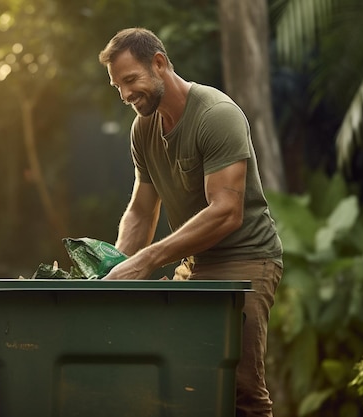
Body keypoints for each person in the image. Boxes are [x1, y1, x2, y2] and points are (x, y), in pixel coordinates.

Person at [98, 27, 283, 417]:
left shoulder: (216, 114)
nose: (126, 94)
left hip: (246, 260)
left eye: (131, 80)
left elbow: (226, 212)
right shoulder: (143, 128)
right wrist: (113, 269)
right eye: (118, 87)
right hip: (194, 264)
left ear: (160, 64)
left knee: (242, 389)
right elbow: (141, 210)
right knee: (185, 382)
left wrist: (147, 261)